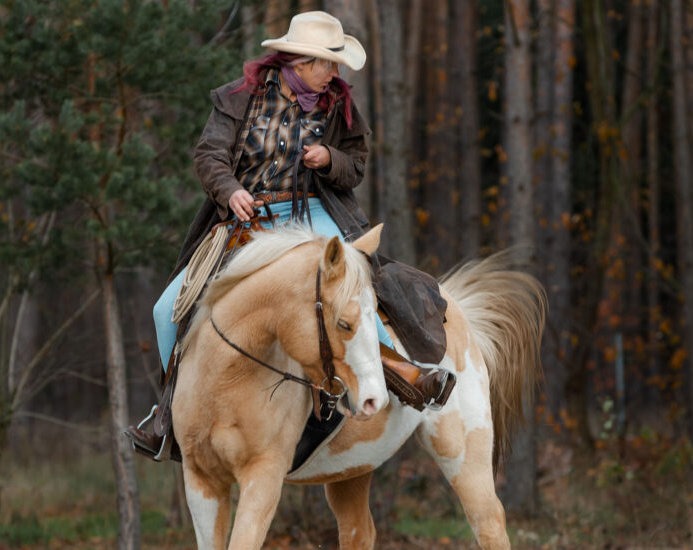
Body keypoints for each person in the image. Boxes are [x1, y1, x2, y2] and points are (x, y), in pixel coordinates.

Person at [126, 11, 455, 458]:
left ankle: (405, 373)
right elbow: (208, 157)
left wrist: (329, 159)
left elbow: (355, 166)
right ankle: (168, 415)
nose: (334, 74)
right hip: (247, 221)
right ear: (300, 62)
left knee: (356, 284)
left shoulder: (339, 105)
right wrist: (232, 191)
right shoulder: (239, 98)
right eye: (328, 63)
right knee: (168, 309)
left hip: (313, 213)